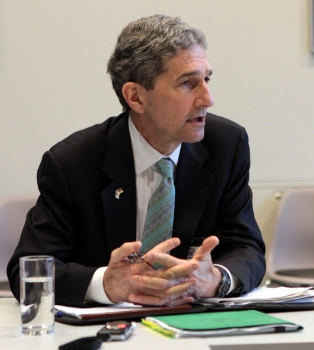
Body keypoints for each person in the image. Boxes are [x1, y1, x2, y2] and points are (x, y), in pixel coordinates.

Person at [7, 14, 265, 307]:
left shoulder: (226, 146)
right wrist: (105, 284)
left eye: (206, 79)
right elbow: (26, 271)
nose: (208, 98)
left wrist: (216, 278)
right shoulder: (72, 163)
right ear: (136, 97)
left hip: (192, 322)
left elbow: (247, 248)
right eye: (187, 83)